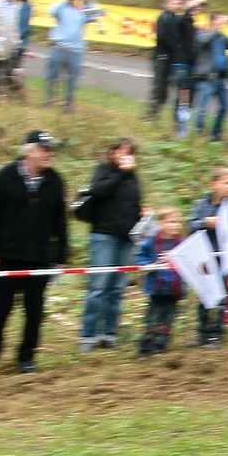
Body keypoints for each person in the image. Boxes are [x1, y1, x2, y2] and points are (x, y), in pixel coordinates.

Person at [0, 132, 69, 373]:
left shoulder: (55, 180)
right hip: (8, 255)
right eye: (43, 149)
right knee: (2, 306)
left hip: (39, 257)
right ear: (28, 152)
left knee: (35, 309)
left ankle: (27, 355)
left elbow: (60, 221)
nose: (48, 153)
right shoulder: (6, 176)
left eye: (51, 149)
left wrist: (61, 255)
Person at [73, 139, 144, 351]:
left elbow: (134, 201)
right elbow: (99, 190)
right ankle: (88, 333)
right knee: (99, 286)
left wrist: (141, 213)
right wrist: (121, 173)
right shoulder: (103, 170)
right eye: (122, 151)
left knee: (117, 288)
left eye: (130, 152)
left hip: (126, 236)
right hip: (104, 234)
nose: (126, 156)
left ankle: (109, 332)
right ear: (112, 152)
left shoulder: (133, 177)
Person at [186, 167, 228, 348]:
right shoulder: (202, 205)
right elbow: (191, 225)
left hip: (224, 257)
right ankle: (202, 332)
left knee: (221, 295)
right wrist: (205, 223)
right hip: (203, 257)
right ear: (213, 184)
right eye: (226, 182)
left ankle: (217, 333)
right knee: (204, 295)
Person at [136, 207, 189, 356]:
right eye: (171, 222)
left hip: (174, 288)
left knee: (168, 319)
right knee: (152, 318)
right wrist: (151, 265)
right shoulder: (150, 242)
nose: (175, 225)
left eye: (177, 222)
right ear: (161, 223)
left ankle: (161, 346)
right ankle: (145, 348)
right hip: (156, 287)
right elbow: (141, 258)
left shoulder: (182, 243)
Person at [42, 0, 103, 113]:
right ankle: (48, 102)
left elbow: (97, 15)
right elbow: (51, 11)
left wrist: (90, 0)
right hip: (59, 47)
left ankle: (68, 106)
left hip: (76, 50)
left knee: (72, 80)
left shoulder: (82, 10)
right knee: (52, 77)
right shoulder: (61, 7)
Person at [150, 0, 196, 124]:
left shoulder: (174, 18)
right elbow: (166, 38)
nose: (177, 6)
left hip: (171, 58)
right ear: (166, 4)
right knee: (159, 88)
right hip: (162, 57)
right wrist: (179, 47)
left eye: (179, 3)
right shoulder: (165, 18)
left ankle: (162, 115)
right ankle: (151, 115)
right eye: (174, 3)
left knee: (171, 89)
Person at [189, 10, 228, 137]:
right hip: (206, 78)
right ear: (213, 21)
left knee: (225, 107)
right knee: (203, 108)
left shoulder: (221, 36)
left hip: (220, 78)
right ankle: (198, 131)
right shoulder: (202, 33)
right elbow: (203, 41)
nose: (222, 22)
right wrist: (217, 28)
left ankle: (216, 133)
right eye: (220, 19)